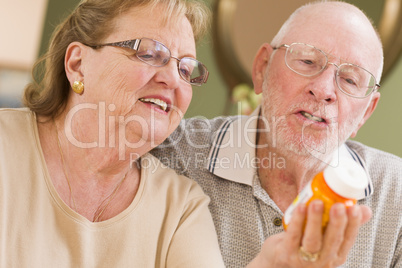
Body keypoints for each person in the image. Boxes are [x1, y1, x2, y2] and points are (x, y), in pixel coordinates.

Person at [152, 1, 402, 267]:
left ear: (366, 112)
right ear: (262, 68)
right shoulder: (170, 156)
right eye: (307, 61)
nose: (323, 90)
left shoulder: (396, 195)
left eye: (350, 80)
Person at [0, 0, 226, 267]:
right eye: (149, 53)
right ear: (78, 64)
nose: (174, 79)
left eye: (185, 69)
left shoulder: (181, 208)